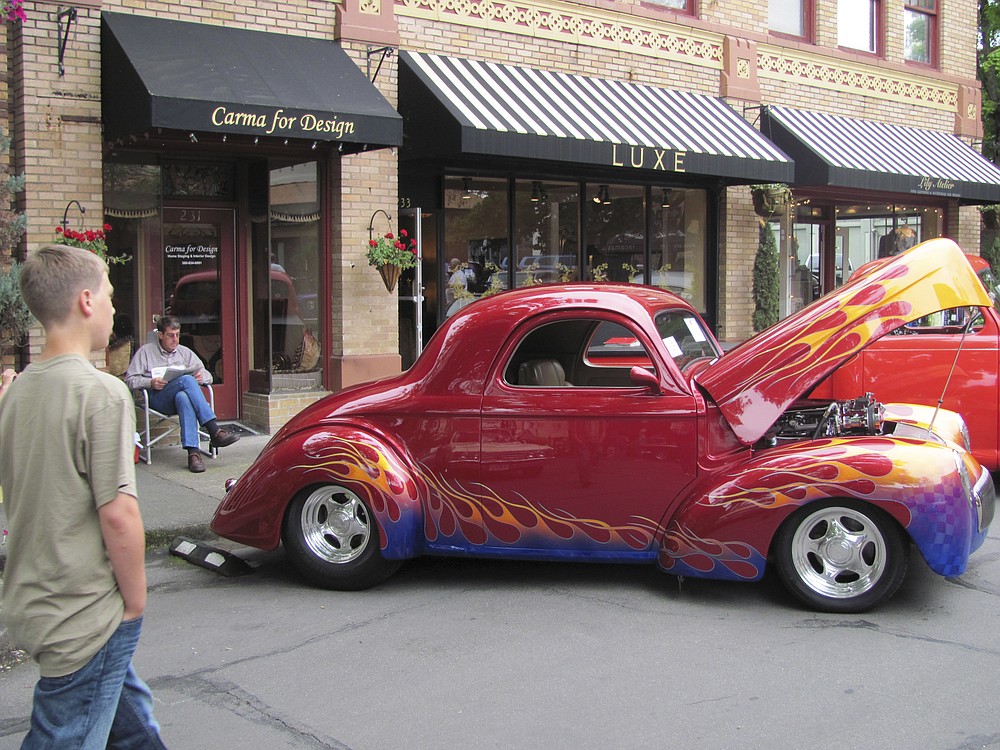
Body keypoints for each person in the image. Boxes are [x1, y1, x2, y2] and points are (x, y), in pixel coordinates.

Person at [0, 243, 167, 748]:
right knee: (64, 735)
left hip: (34, 597)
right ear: (87, 302)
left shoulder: (18, 391)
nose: (117, 308)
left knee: (132, 726)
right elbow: (118, 513)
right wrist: (135, 603)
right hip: (85, 611)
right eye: (113, 295)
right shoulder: (101, 392)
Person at [125, 314, 239, 473]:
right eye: (171, 336)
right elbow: (130, 379)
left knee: (184, 396)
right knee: (186, 380)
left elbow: (208, 376)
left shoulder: (185, 352)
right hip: (157, 398)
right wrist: (150, 382)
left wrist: (201, 377)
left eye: (178, 335)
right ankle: (214, 430)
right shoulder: (146, 352)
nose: (175, 340)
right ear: (160, 335)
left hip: (178, 400)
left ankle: (193, 454)